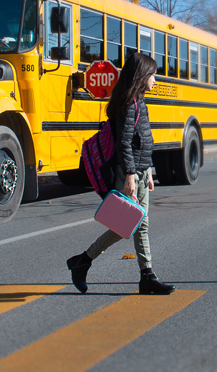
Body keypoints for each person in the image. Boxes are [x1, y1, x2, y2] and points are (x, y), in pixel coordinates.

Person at [66, 52, 176, 295]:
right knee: (130, 224)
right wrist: (130, 175)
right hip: (131, 173)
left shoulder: (138, 102)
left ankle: (144, 275)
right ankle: (85, 260)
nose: (155, 79)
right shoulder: (129, 105)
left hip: (140, 171)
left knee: (137, 224)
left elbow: (142, 140)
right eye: (153, 75)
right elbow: (124, 143)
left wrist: (148, 170)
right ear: (142, 76)